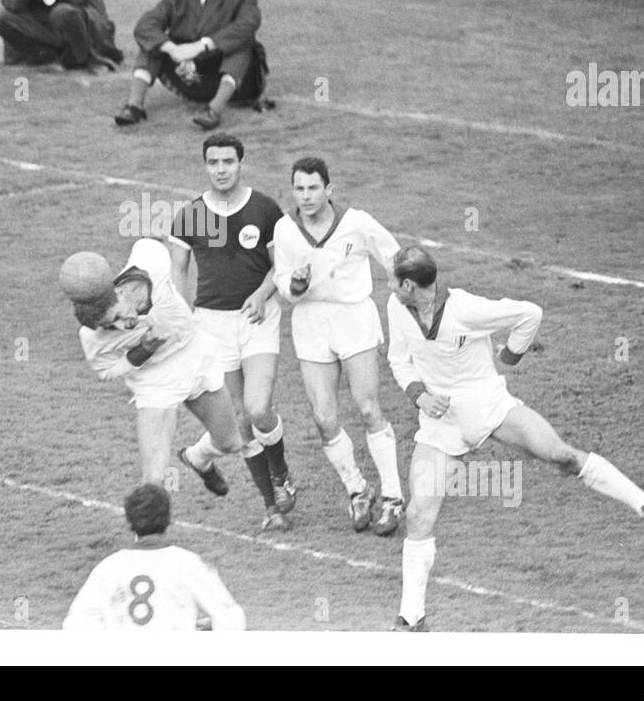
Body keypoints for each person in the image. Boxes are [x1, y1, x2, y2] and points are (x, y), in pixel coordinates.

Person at [386, 246, 644, 632]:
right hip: (440, 424)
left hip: (490, 406)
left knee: (561, 456)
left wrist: (509, 358)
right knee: (418, 514)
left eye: (394, 279)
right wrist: (419, 395)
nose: (389, 285)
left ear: (409, 284)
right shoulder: (396, 306)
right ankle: (411, 618)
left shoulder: (466, 309)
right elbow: (398, 359)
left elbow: (530, 313)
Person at [68, 238, 291, 530]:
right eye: (112, 326)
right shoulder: (92, 337)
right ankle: (149, 541)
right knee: (154, 476)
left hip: (194, 355)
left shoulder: (153, 265)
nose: (123, 325)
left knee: (231, 441)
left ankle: (197, 458)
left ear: (121, 292)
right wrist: (142, 351)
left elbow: (152, 243)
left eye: (119, 317)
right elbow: (106, 370)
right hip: (154, 382)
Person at [272, 157, 406, 536]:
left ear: (329, 190)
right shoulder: (285, 229)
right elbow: (283, 282)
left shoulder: (357, 222)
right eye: (299, 188)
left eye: (314, 188)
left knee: (367, 407)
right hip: (311, 323)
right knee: (324, 417)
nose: (306, 196)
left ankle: (393, 497)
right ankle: (358, 489)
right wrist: (295, 285)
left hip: (354, 317)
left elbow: (394, 258)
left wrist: (403, 297)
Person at [167, 133, 296, 520]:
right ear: (205, 165)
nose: (221, 170)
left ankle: (280, 473)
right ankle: (273, 506)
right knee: (239, 417)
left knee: (258, 408)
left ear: (241, 163)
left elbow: (282, 265)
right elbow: (177, 268)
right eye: (213, 163)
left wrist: (261, 293)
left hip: (257, 317)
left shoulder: (264, 210)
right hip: (211, 325)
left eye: (228, 162)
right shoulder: (191, 214)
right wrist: (183, 313)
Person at [116, 0, 269, 131]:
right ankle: (134, 106)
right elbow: (146, 25)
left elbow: (249, 23)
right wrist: (172, 49)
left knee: (243, 45)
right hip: (189, 75)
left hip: (237, 82)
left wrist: (200, 46)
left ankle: (214, 111)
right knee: (153, 43)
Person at [63, 484, 245, 630]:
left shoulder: (108, 568)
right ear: (168, 519)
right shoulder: (187, 563)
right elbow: (231, 620)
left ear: (129, 521)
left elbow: (77, 625)